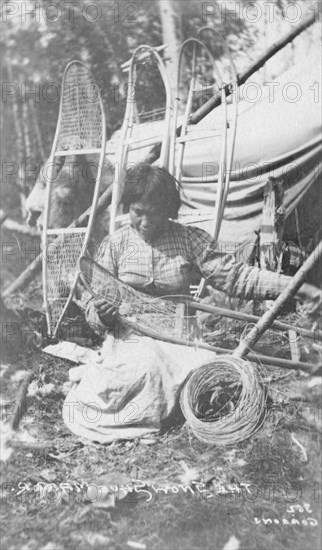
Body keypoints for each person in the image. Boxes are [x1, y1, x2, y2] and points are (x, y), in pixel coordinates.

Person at [62, 163, 321, 443]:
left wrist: (297, 288)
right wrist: (102, 315)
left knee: (199, 374)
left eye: (155, 213)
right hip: (132, 334)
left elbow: (237, 277)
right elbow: (94, 308)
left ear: (169, 210)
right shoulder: (115, 244)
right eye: (138, 212)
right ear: (128, 209)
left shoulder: (189, 239)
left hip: (181, 332)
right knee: (140, 373)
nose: (145, 222)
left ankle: (170, 406)